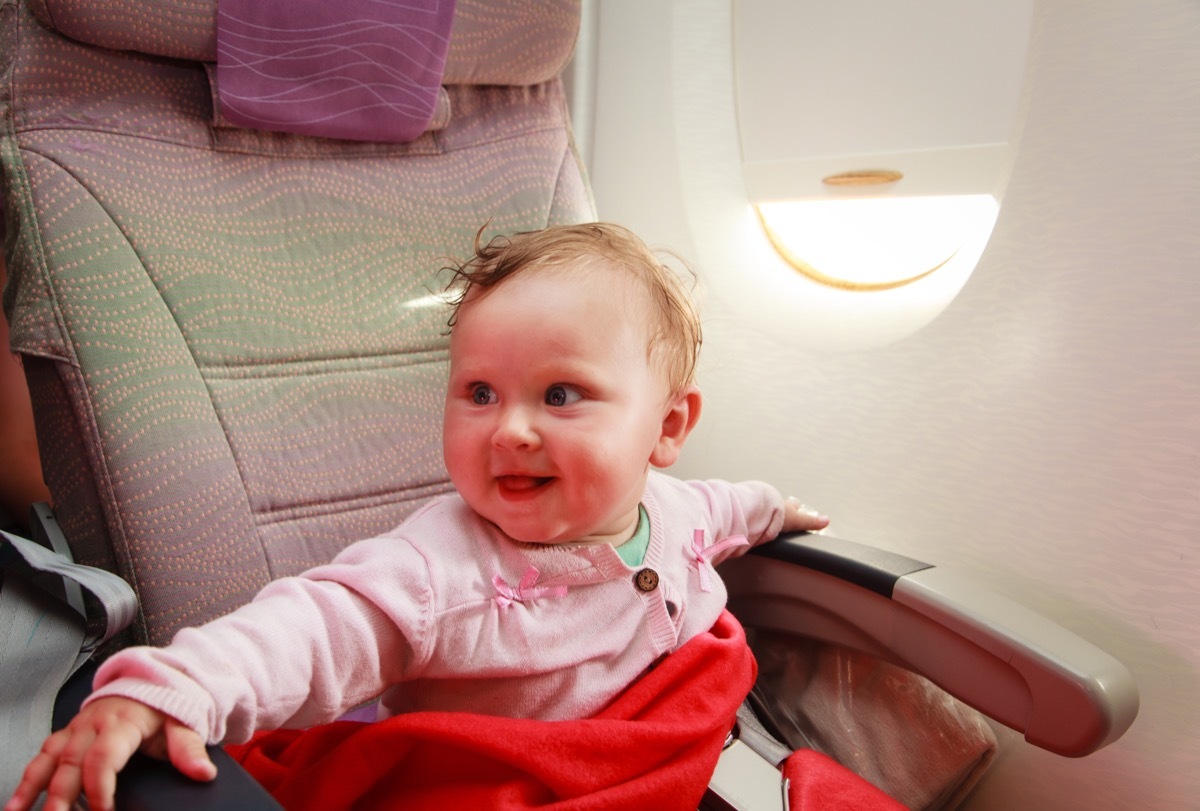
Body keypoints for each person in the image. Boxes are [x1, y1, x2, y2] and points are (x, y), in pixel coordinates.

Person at [6, 222, 829, 811]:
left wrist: (781, 509)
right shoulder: (444, 568)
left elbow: (735, 511)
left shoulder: (679, 511)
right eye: (479, 393)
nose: (509, 428)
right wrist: (173, 687)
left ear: (669, 428)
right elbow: (315, 624)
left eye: (561, 394)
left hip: (660, 756)